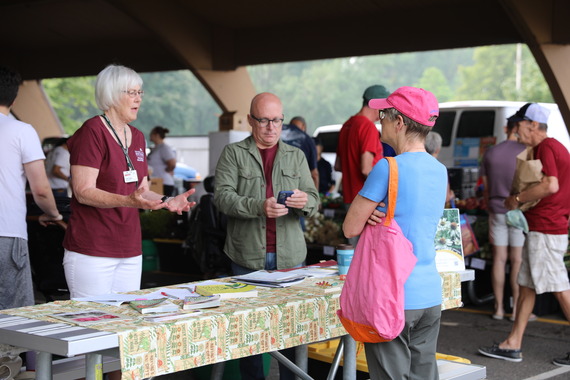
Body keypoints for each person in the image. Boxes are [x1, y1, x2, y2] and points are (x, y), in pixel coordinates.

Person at [62, 64, 195, 301]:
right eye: (131, 93)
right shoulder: (92, 131)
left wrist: (167, 200)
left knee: (126, 322)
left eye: (139, 93)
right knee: (93, 323)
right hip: (93, 249)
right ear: (112, 95)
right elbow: (83, 192)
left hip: (130, 249)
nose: (138, 99)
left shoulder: (138, 136)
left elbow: (141, 191)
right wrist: (126, 200)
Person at [343, 86, 448, 380]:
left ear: (399, 122)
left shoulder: (387, 167)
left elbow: (350, 227)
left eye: (384, 116)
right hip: (429, 294)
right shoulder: (440, 170)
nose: (380, 121)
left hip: (393, 295)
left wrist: (369, 215)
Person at [214, 92, 319, 380]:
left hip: (290, 258)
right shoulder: (233, 154)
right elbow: (221, 198)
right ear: (250, 120)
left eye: (277, 120)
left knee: (290, 331)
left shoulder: (295, 156)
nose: (271, 127)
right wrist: (258, 206)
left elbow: (314, 198)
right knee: (251, 334)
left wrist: (303, 201)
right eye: (264, 120)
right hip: (247, 256)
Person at [479, 103, 570, 366]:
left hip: (546, 230)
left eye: (517, 125)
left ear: (531, 125)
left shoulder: (546, 147)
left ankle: (513, 343)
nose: (514, 130)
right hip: (544, 228)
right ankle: (512, 344)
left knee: (560, 288)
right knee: (527, 286)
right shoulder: (555, 147)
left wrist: (516, 199)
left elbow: (549, 184)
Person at [0, 65, 65, 310]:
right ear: (14, 98)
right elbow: (40, 189)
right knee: (13, 311)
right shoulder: (21, 131)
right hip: (6, 233)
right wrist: (54, 214)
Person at [480, 116, 529, 321]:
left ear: (505, 128)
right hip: (517, 210)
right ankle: (516, 310)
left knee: (499, 260)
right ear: (518, 128)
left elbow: (484, 187)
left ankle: (499, 308)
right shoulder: (525, 151)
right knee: (517, 260)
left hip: (496, 208)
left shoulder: (491, 153)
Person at [335, 85, 388, 224]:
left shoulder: (346, 125)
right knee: (367, 246)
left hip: (349, 198)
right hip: (366, 200)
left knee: (353, 244)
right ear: (375, 103)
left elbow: (338, 165)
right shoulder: (368, 127)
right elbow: (366, 169)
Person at [281, 117, 319, 189]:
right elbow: (314, 174)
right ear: (304, 126)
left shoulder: (276, 135)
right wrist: (315, 198)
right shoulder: (307, 140)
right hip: (296, 187)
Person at [148, 125, 177, 196]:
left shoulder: (164, 148)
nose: (150, 135)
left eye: (152, 133)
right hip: (155, 182)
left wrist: (167, 170)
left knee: (161, 206)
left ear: (157, 135)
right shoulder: (155, 148)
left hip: (164, 183)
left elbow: (172, 163)